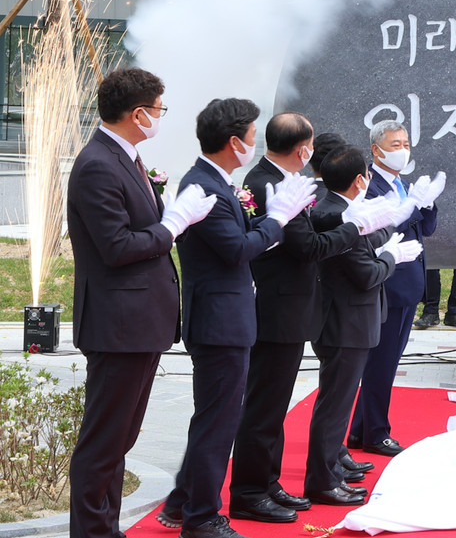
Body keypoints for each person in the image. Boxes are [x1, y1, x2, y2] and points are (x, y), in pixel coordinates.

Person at [66, 68, 216, 538]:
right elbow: (115, 246)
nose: (159, 117)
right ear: (137, 114)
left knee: (120, 439)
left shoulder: (125, 158)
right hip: (118, 323)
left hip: (138, 322)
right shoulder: (98, 163)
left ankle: (105, 528)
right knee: (104, 441)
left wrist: (167, 215)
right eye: (158, 109)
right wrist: (171, 225)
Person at [156, 98, 315, 538]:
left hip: (229, 317)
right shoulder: (204, 185)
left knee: (216, 418)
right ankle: (202, 517)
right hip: (219, 322)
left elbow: (240, 240)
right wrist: (278, 218)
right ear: (233, 142)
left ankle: (182, 501)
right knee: (217, 424)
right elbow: (236, 249)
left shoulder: (219, 181)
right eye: (250, 136)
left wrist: (265, 223)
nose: (253, 143)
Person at [228, 114, 397, 523]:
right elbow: (306, 247)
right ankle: (249, 491)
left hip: (291, 305)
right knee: (264, 406)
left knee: (274, 405)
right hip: (277, 305)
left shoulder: (277, 177)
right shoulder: (268, 182)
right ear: (304, 149)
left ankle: (266, 484)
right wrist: (355, 228)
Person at [305, 146, 422, 505]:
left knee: (336, 402)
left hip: (347, 318)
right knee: (335, 404)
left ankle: (330, 470)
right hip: (346, 321)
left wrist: (386, 228)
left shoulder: (337, 207)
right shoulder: (336, 215)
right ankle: (323, 480)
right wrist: (392, 256)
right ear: (361, 180)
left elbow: (366, 240)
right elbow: (366, 271)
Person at [348, 119, 445, 456]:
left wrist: (427, 203)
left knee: (386, 360)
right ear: (376, 150)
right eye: (395, 145)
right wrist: (413, 207)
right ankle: (376, 431)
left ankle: (361, 429)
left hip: (409, 283)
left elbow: (426, 228)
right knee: (381, 361)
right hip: (387, 283)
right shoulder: (370, 186)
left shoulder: (404, 184)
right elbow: (383, 228)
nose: (402, 150)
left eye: (405, 144)